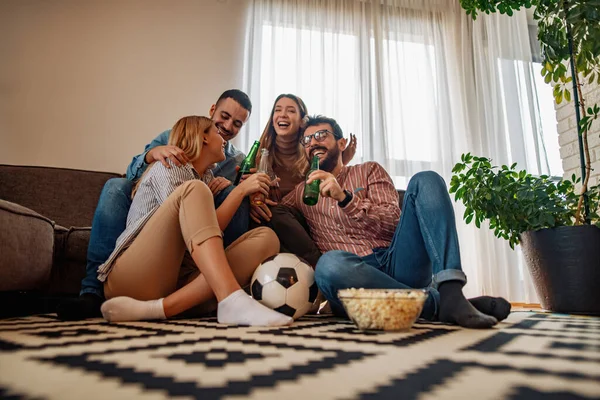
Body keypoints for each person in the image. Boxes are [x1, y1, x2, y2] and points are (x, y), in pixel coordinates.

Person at [281, 115, 511, 329]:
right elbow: (274, 209)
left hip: (396, 260)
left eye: (321, 135)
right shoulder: (302, 192)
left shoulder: (368, 170)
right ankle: (444, 303)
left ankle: (450, 286)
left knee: (427, 179)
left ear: (341, 144)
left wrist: (345, 198)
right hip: (355, 277)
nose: (313, 142)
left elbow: (392, 221)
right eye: (307, 139)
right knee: (328, 266)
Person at [57, 89, 253, 321]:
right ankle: (92, 291)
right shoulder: (175, 145)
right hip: (162, 227)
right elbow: (133, 174)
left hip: (200, 236)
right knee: (116, 185)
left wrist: (246, 190)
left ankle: (217, 286)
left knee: (263, 234)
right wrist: (152, 154)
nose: (228, 126)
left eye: (237, 124)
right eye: (225, 116)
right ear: (212, 112)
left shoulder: (236, 160)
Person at [98, 116, 292, 326]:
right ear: (204, 138)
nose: (224, 139)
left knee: (267, 238)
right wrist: (240, 191)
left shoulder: (204, 178)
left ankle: (160, 309)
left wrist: (236, 190)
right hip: (133, 276)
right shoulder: (170, 165)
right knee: (195, 189)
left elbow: (204, 237)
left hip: (176, 282)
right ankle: (230, 297)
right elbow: (186, 236)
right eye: (217, 132)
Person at [248, 94, 356, 267]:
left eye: (290, 111)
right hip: (270, 225)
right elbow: (249, 190)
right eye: (278, 110)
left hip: (307, 228)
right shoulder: (261, 156)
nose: (282, 114)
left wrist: (343, 161)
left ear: (301, 122)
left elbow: (328, 191)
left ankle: (317, 266)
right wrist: (250, 200)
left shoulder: (312, 155)